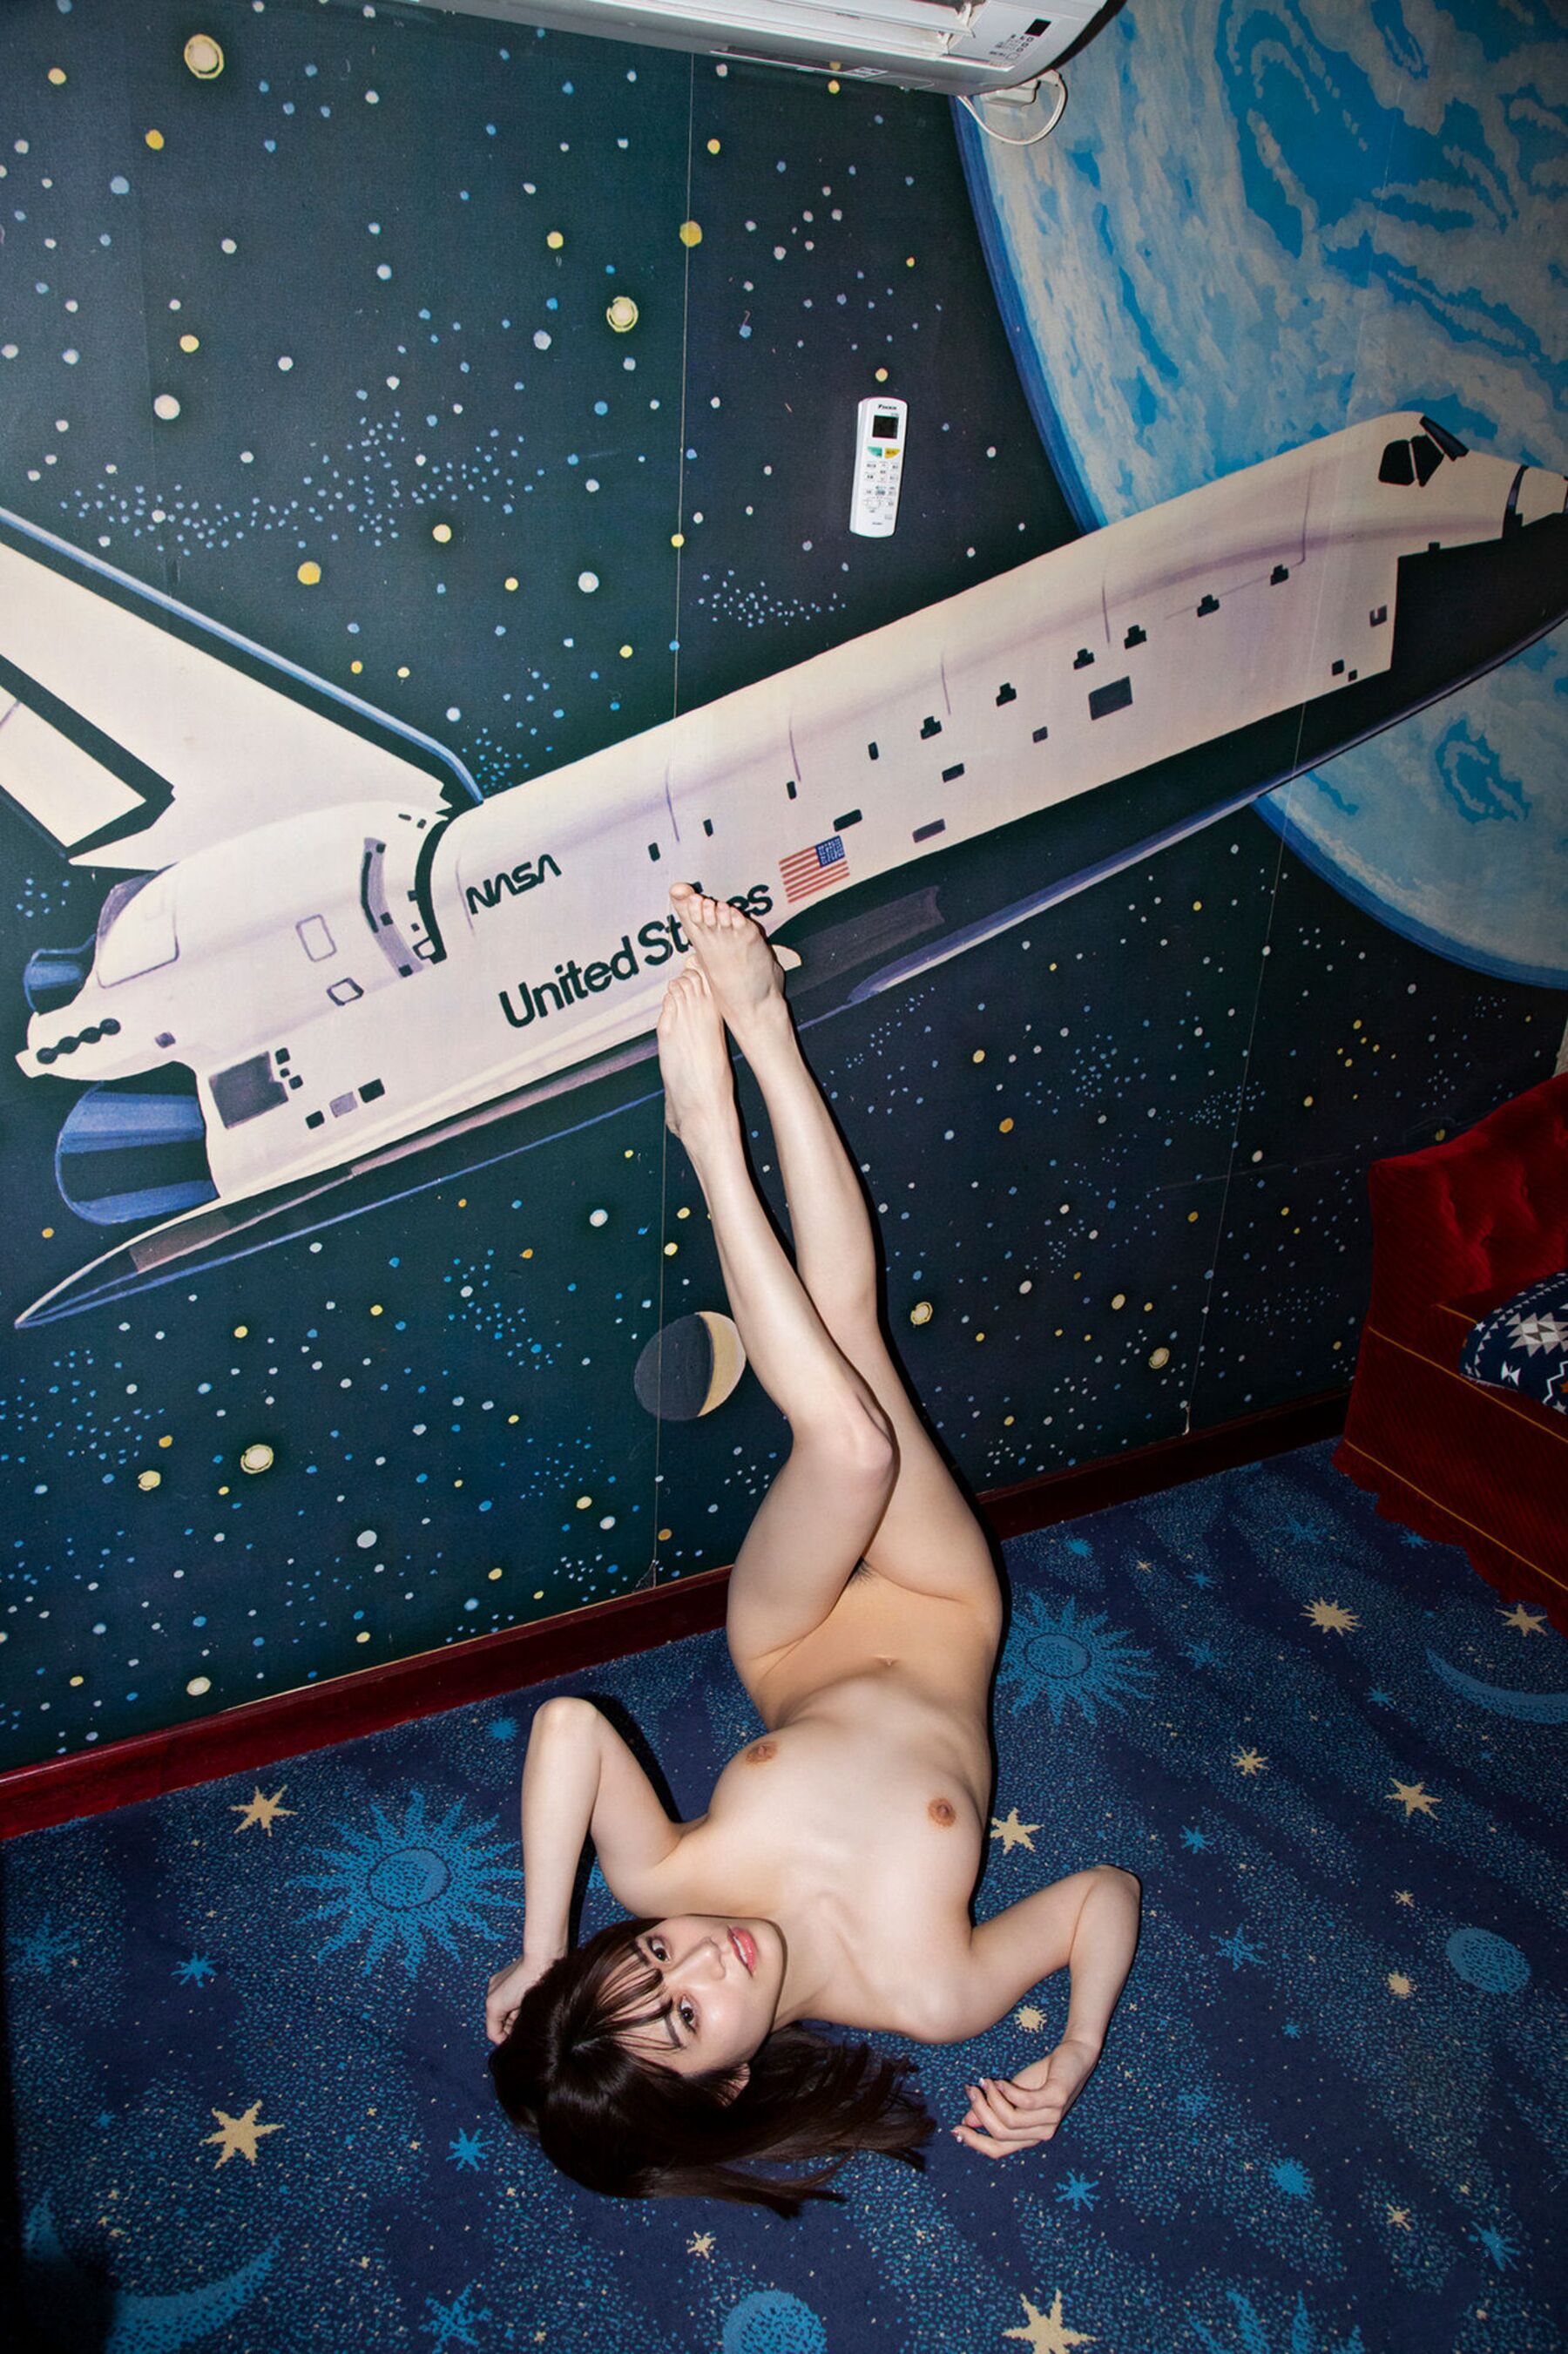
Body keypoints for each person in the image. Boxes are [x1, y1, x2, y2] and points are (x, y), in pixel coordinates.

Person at [485, 881, 1141, 2215]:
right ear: (728, 2083)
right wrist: (1075, 2051)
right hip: (945, 1603)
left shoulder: (667, 1873)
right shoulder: (930, 1992)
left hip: (788, 1634)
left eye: (647, 1959)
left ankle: (711, 1135)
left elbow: (569, 1727)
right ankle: (762, 1041)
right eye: (685, 2016)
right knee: (848, 1335)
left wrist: (543, 1945)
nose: (698, 1959)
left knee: (848, 1445)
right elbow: (1099, 1896)